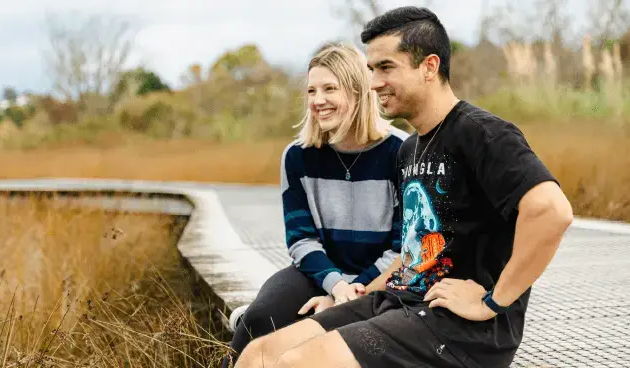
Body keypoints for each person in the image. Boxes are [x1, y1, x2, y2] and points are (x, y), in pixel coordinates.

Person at [234, 6, 574, 368]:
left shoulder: (482, 133)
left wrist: (493, 301)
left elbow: (552, 212)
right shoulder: (410, 149)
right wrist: (348, 295)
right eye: (371, 70)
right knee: (261, 354)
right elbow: (411, 255)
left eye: (386, 68)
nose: (374, 82)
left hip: (456, 328)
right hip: (397, 301)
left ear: (429, 66)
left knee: (296, 363)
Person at [222, 43, 409, 367]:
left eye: (329, 89)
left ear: (357, 92)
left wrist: (349, 292)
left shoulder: (402, 152)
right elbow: (301, 239)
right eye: (311, 90)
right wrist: (335, 285)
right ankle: (249, 321)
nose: (317, 100)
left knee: (341, 337)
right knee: (259, 319)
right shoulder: (298, 156)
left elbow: (402, 247)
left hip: (381, 282)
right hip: (317, 274)